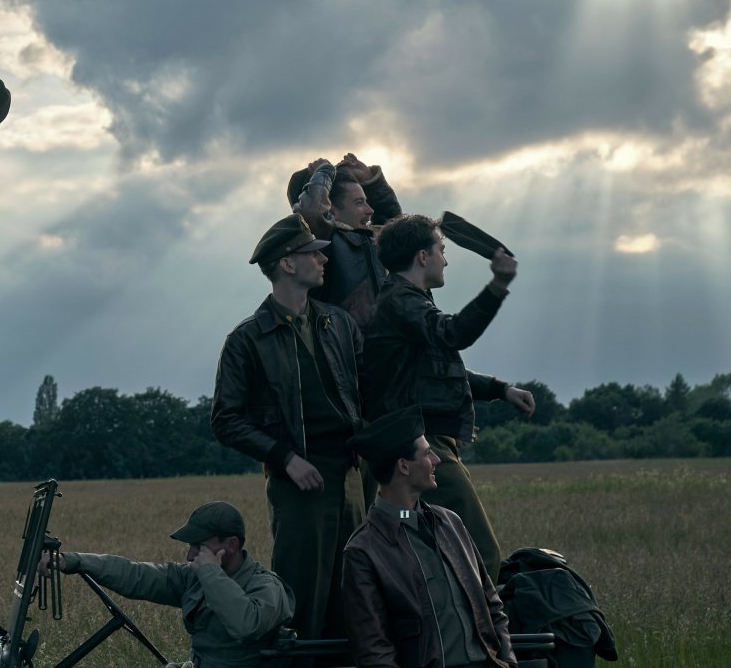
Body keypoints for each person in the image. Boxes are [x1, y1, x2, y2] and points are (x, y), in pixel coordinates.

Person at [342, 407, 518, 668]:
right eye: (426, 453)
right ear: (404, 467)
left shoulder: (449, 522)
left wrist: (505, 665)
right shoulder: (364, 551)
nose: (436, 459)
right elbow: (373, 652)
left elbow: (490, 601)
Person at [212, 215, 365, 639]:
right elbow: (225, 420)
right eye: (311, 252)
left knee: (353, 592)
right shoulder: (247, 339)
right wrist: (286, 458)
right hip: (299, 482)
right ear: (287, 264)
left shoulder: (338, 323)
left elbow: (368, 389)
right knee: (301, 598)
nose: (322, 258)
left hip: (351, 475)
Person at [39, 502, 294, 668]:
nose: (190, 555)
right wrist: (71, 561)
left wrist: (211, 574)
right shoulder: (198, 574)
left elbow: (246, 623)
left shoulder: (266, 587)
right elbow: (137, 575)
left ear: (232, 545)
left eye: (199, 546)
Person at [362, 214, 534, 568]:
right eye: (441, 250)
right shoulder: (401, 302)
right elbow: (454, 333)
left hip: (422, 442)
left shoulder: (409, 302)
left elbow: (439, 368)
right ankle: (484, 624)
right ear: (422, 257)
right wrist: (498, 285)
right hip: (422, 445)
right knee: (480, 552)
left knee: (436, 550)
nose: (446, 258)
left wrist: (501, 390)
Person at [288, 154, 401, 326]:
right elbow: (311, 213)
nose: (370, 210)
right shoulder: (322, 244)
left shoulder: (368, 241)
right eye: (359, 202)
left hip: (385, 350)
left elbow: (397, 231)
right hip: (351, 351)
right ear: (331, 211)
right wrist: (324, 173)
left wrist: (372, 181)